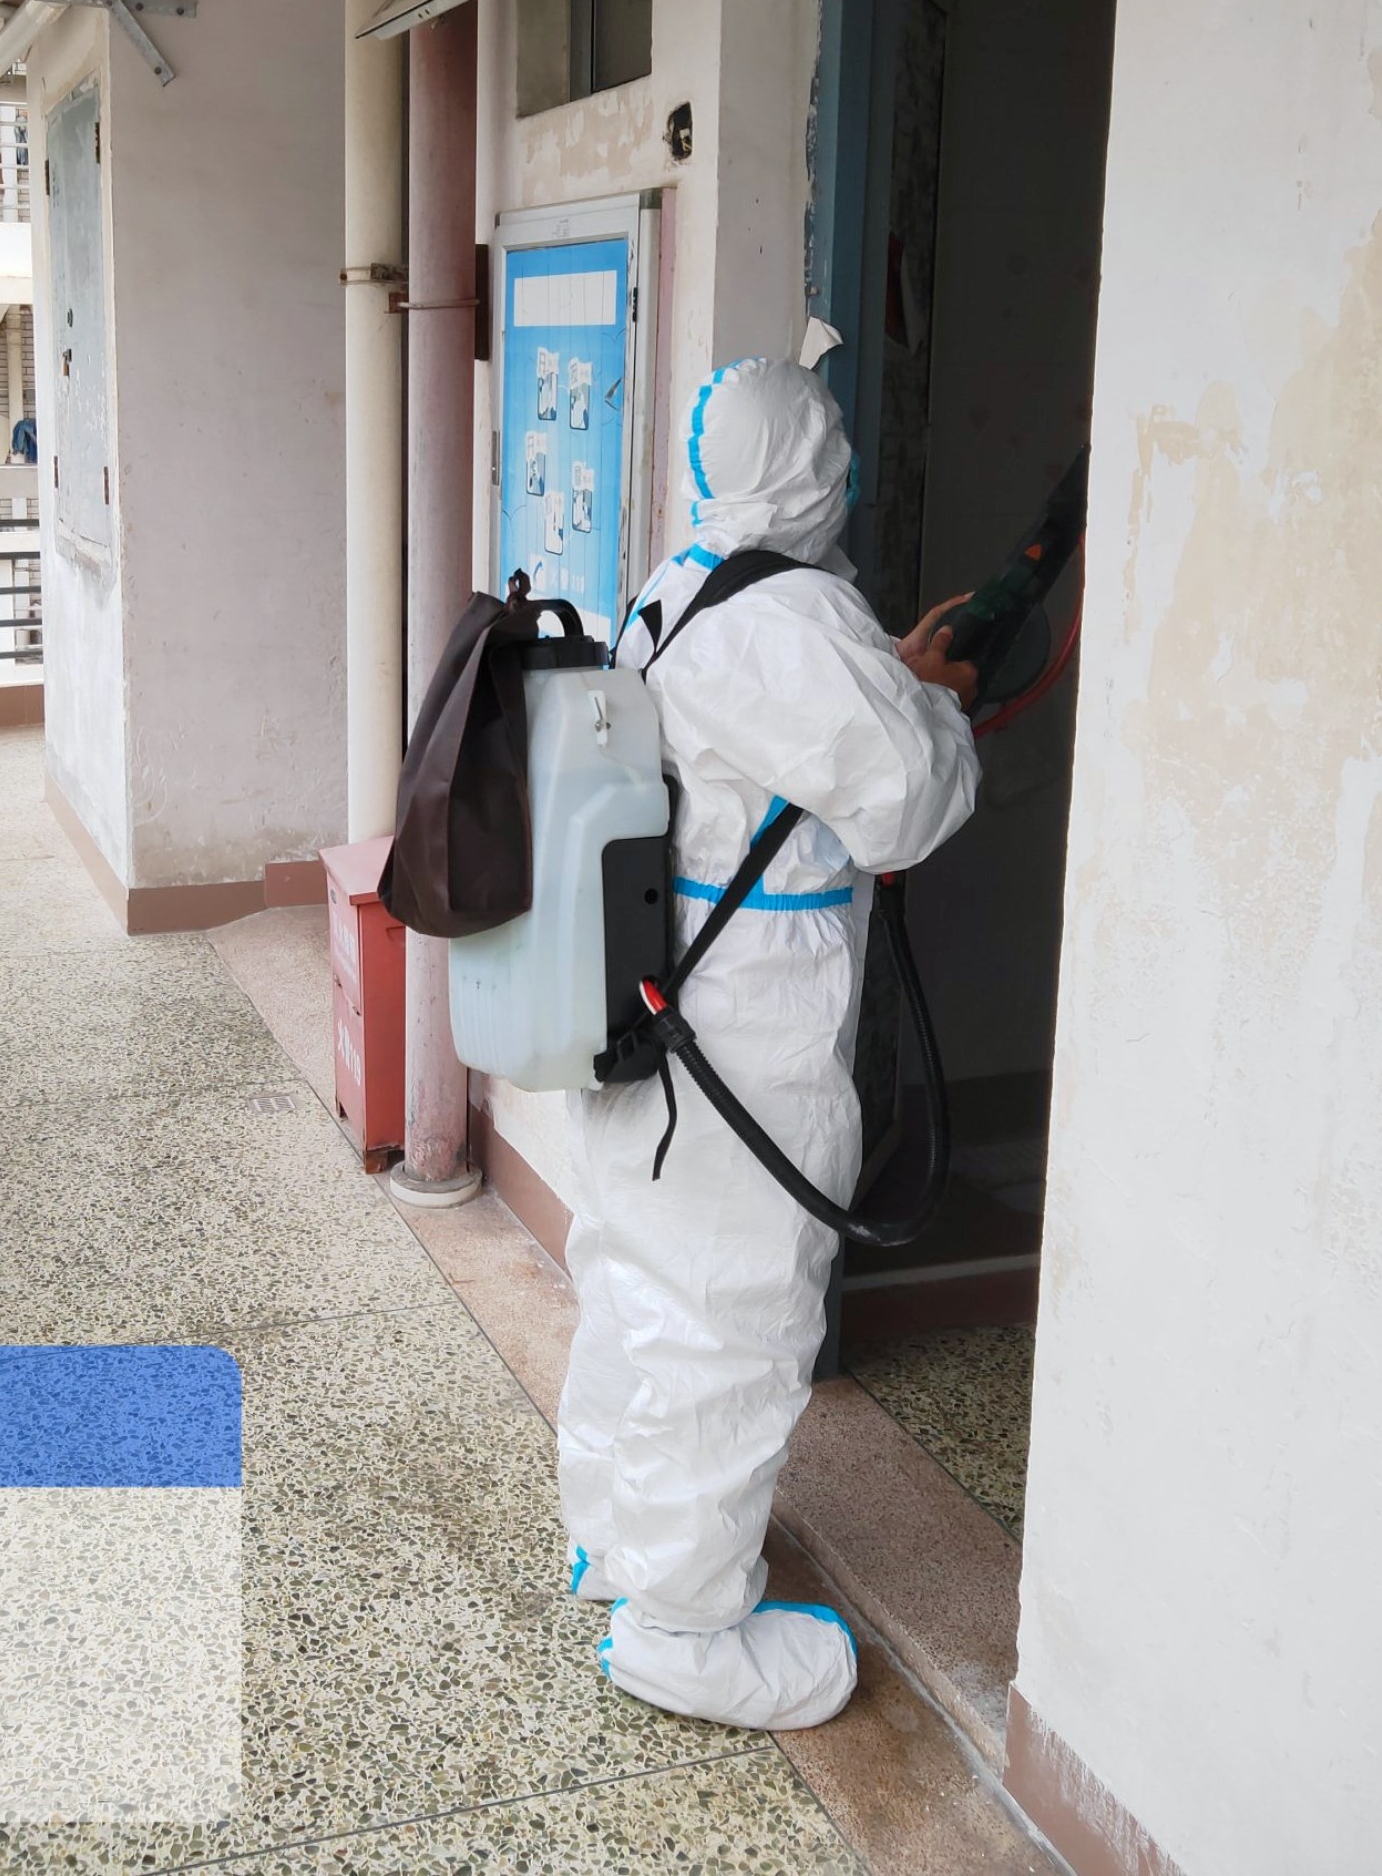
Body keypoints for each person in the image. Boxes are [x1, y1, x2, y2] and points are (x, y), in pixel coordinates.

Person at [561, 355, 980, 1731]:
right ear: (812, 467)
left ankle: (618, 1539)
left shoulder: (674, 587)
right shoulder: (795, 612)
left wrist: (884, 675)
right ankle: (681, 1630)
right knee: (731, 1318)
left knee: (633, 1283)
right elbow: (910, 801)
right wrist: (932, 697)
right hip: (744, 1031)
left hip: (643, 1014)